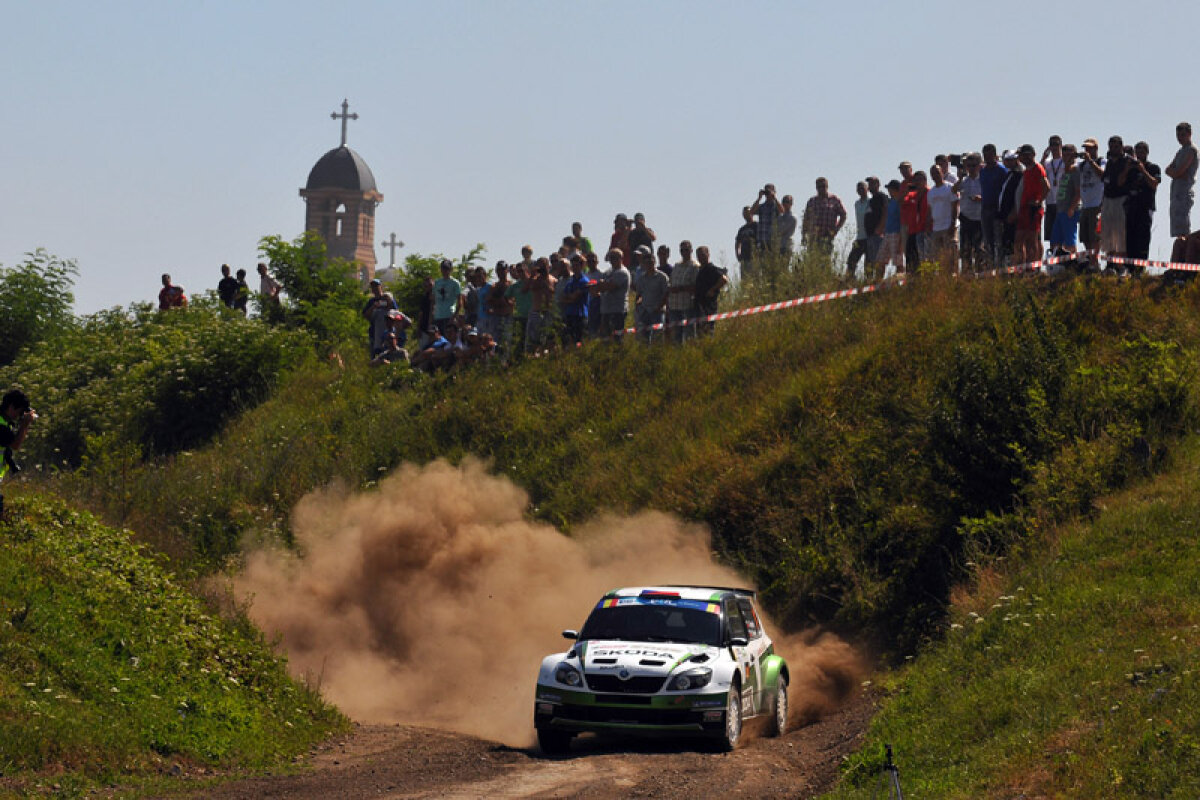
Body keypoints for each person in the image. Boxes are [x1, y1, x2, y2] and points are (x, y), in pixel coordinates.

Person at [1010, 144, 1049, 266]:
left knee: (1032, 239)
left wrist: (1039, 200)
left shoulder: (1038, 168)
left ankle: (1033, 267)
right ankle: (1021, 266)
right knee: (1019, 240)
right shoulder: (1026, 171)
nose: (1021, 158)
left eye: (1023, 155)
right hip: (1024, 208)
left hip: (1033, 208)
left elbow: (1046, 186)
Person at [0, 390, 36, 517]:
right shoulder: (1, 425)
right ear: (11, 407)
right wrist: (25, 425)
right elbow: (15, 445)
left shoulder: (5, 422)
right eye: (20, 411)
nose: (20, 415)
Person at [1125, 141, 1161, 264]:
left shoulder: (1153, 167)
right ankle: (1129, 267)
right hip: (1131, 208)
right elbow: (1120, 183)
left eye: (1142, 151)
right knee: (1130, 238)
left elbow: (1154, 184)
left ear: (1147, 152)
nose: (1140, 153)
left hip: (1145, 207)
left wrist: (1143, 170)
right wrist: (1127, 168)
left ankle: (1140, 268)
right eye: (1137, 151)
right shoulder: (1131, 169)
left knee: (1143, 238)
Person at [1100, 135, 1135, 260]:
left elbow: (1121, 182)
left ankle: (1121, 265)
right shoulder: (1109, 162)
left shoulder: (1126, 161)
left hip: (1121, 200)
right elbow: (1105, 180)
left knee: (1121, 235)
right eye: (1111, 146)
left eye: (1116, 146)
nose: (1113, 149)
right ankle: (1111, 263)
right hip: (1108, 200)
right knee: (1108, 235)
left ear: (1121, 147)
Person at [1166, 122, 1198, 240]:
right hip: (1176, 192)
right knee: (1177, 227)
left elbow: (1179, 171)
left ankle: (1185, 251)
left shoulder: (1191, 150)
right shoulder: (1180, 151)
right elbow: (1168, 169)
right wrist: (1175, 173)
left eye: (1183, 135)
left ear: (1189, 134)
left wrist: (1176, 173)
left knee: (1183, 227)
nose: (1180, 138)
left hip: (1184, 192)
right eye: (1178, 135)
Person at [1049, 144, 1082, 257]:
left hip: (1069, 210)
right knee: (1055, 241)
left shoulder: (1076, 170)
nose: (1067, 157)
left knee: (1069, 241)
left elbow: (1078, 192)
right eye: (1065, 154)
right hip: (1060, 210)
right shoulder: (1064, 171)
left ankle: (1073, 263)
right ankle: (1060, 265)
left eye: (1070, 154)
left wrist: (1072, 208)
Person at [979, 144, 1008, 266]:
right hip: (985, 208)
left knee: (998, 240)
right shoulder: (983, 171)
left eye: (989, 154)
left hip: (997, 208)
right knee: (987, 240)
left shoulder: (1001, 170)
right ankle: (990, 265)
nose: (987, 157)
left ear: (995, 155)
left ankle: (1000, 266)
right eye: (985, 154)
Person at [801, 177, 847, 255]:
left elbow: (843, 215)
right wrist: (804, 235)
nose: (821, 188)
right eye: (819, 186)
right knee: (812, 261)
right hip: (814, 237)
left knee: (825, 261)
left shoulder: (834, 200)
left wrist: (835, 230)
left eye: (823, 186)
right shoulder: (811, 201)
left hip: (827, 236)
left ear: (827, 186)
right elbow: (806, 218)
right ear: (816, 187)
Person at [1077, 138, 1106, 262]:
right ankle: (1091, 260)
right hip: (1085, 204)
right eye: (1085, 148)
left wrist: (1090, 160)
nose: (1087, 150)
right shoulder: (1082, 165)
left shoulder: (1102, 161)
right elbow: (1069, 170)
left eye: (1090, 148)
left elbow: (1102, 174)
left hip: (1097, 203)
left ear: (1096, 148)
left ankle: (1094, 262)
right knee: (1085, 236)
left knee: (1095, 236)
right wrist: (1071, 156)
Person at [633, 246, 669, 343]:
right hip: (644, 311)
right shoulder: (641, 278)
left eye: (651, 262)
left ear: (654, 262)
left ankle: (657, 355)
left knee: (657, 337)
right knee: (643, 338)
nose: (649, 264)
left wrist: (660, 306)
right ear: (643, 264)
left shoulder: (662, 277)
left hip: (658, 311)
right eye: (647, 262)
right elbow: (639, 294)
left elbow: (666, 293)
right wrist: (637, 305)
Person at [593, 248, 630, 340]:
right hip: (606, 309)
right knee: (606, 337)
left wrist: (602, 284)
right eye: (610, 258)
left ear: (621, 258)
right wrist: (601, 285)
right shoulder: (607, 272)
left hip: (618, 310)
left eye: (614, 257)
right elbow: (599, 288)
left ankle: (618, 353)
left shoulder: (622, 272)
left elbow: (610, 286)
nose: (612, 260)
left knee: (617, 337)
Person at [926, 165, 959, 272]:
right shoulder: (931, 192)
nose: (935, 175)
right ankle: (943, 278)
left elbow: (955, 206)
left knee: (951, 255)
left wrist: (953, 224)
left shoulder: (950, 187)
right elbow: (930, 210)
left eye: (937, 172)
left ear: (942, 173)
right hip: (936, 228)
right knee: (938, 257)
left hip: (948, 226)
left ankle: (954, 277)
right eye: (933, 173)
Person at [668, 240, 700, 343]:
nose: (684, 252)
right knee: (676, 334)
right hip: (674, 305)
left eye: (686, 250)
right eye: (682, 250)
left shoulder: (695, 266)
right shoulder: (677, 265)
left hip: (687, 304)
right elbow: (671, 281)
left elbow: (696, 286)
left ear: (691, 250)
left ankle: (689, 355)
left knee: (689, 333)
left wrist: (681, 288)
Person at [957, 155, 984, 271]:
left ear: (979, 166)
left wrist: (981, 198)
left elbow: (991, 196)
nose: (971, 168)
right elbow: (953, 190)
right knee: (965, 249)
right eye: (969, 166)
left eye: (974, 165)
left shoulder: (983, 180)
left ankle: (980, 272)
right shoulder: (963, 181)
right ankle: (966, 273)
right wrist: (959, 178)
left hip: (979, 219)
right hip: (966, 218)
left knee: (979, 249)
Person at [997, 151, 1025, 264]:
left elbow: (1019, 195)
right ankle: (1010, 267)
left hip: (1014, 215)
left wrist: (1014, 211)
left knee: (1016, 242)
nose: (1009, 162)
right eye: (1007, 160)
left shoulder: (1020, 174)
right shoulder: (1009, 174)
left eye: (1011, 160)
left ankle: (1019, 267)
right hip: (1005, 214)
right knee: (1007, 243)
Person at [693, 246, 728, 336]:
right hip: (699, 306)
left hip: (709, 306)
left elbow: (724, 279)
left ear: (708, 254)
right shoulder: (700, 270)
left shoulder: (711, 268)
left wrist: (712, 290)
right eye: (699, 255)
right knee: (699, 332)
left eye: (703, 255)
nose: (700, 257)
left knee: (708, 331)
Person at [874, 180, 905, 275]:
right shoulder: (890, 202)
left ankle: (900, 281)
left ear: (896, 190)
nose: (889, 191)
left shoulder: (900, 202)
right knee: (880, 260)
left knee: (898, 261)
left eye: (890, 189)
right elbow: (886, 216)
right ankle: (878, 283)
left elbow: (903, 220)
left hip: (896, 233)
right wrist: (881, 228)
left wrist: (901, 239)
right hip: (887, 233)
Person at [525, 258, 556, 355]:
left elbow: (555, 293)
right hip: (536, 312)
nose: (541, 268)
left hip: (548, 312)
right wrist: (532, 276)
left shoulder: (553, 280)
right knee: (533, 341)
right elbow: (525, 289)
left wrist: (546, 285)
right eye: (539, 266)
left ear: (547, 266)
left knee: (549, 339)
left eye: (543, 266)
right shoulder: (534, 280)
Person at [900, 172, 931, 268]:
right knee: (911, 257)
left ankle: (926, 278)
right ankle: (912, 279)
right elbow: (901, 202)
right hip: (913, 230)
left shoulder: (930, 193)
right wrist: (906, 191)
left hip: (926, 229)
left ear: (925, 181)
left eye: (920, 179)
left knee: (925, 256)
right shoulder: (912, 195)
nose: (917, 182)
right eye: (915, 180)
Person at [362, 278, 398, 355]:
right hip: (374, 332)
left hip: (389, 333)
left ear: (381, 287)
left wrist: (387, 304)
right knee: (375, 354)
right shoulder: (371, 301)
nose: (375, 288)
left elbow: (396, 312)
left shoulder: (388, 298)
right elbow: (365, 315)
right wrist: (373, 307)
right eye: (373, 287)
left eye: (376, 286)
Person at [561, 254, 591, 346]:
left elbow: (574, 297)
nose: (574, 267)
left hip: (580, 315)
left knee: (579, 341)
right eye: (573, 265)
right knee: (567, 339)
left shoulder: (584, 281)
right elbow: (563, 298)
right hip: (569, 313)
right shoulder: (570, 281)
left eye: (576, 265)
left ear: (582, 266)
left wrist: (570, 298)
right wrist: (570, 298)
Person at [1041, 135, 1066, 248]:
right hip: (1050, 202)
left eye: (1056, 144)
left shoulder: (1065, 161)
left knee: (1063, 233)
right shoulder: (1047, 162)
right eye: (1052, 144)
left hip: (1062, 201)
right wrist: (1044, 156)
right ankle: (1054, 259)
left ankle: (1064, 260)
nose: (1054, 147)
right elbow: (1038, 171)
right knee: (1051, 235)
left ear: (1061, 145)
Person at [487, 261, 515, 354]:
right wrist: (499, 300)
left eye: (503, 270)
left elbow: (513, 302)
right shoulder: (494, 286)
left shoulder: (511, 285)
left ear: (507, 271)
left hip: (508, 317)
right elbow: (489, 300)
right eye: (499, 270)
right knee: (495, 342)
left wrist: (504, 301)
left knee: (507, 341)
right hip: (496, 317)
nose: (501, 272)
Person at [846, 182, 871, 278]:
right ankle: (850, 280)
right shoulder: (856, 203)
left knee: (868, 263)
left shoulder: (871, 201)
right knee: (851, 260)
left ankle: (868, 283)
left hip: (869, 237)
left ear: (867, 189)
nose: (860, 190)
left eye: (862, 188)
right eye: (859, 189)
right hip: (859, 236)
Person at [864, 176, 888, 275]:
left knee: (879, 260)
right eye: (869, 184)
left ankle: (879, 281)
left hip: (878, 234)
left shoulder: (881, 196)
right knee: (871, 260)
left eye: (873, 183)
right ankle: (872, 283)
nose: (870, 186)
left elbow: (886, 211)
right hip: (870, 234)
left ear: (878, 185)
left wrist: (881, 227)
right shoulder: (871, 200)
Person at [432, 259, 463, 333]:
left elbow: (460, 302)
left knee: (449, 339)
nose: (445, 271)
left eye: (447, 269)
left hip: (449, 315)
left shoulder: (455, 283)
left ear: (451, 269)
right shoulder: (437, 282)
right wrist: (432, 316)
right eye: (443, 268)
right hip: (438, 316)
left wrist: (454, 317)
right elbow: (433, 301)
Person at [751, 184, 783, 252]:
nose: (767, 194)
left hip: (773, 240)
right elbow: (752, 212)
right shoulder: (762, 207)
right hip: (762, 239)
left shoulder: (776, 206)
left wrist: (775, 198)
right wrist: (759, 198)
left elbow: (782, 211)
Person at [735, 207, 758, 280]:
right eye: (744, 214)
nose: (746, 215)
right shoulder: (742, 229)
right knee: (745, 281)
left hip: (754, 257)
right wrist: (738, 254)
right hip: (744, 258)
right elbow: (737, 242)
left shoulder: (756, 226)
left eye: (748, 213)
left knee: (755, 279)